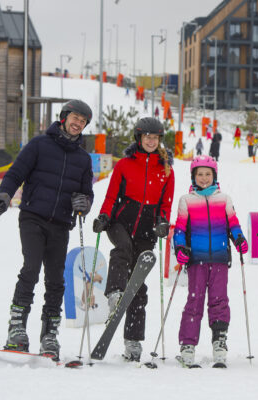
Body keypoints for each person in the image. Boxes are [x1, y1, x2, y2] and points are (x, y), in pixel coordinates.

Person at [0, 100, 94, 360]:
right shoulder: (39, 145)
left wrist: (84, 204)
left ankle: (49, 334)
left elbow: (86, 192)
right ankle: (17, 329)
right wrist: (3, 196)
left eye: (83, 120)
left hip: (60, 223)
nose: (78, 123)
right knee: (31, 268)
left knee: (56, 279)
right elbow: (15, 174)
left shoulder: (83, 158)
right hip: (33, 217)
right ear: (64, 117)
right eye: (75, 117)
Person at [92, 117, 175, 362]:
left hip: (147, 227)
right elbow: (111, 194)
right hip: (121, 220)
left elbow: (166, 203)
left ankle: (133, 341)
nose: (151, 141)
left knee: (138, 285)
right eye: (147, 136)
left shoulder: (166, 168)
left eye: (155, 137)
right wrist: (104, 215)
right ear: (139, 138)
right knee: (123, 249)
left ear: (159, 140)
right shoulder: (125, 165)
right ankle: (115, 292)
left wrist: (162, 222)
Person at [173, 155, 248, 367]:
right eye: (200, 174)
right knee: (194, 301)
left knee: (219, 300)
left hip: (219, 259)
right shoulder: (186, 201)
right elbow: (179, 230)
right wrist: (180, 248)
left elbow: (233, 225)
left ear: (214, 176)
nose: (204, 178)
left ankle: (219, 340)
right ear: (193, 177)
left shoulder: (224, 199)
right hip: (196, 260)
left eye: (208, 174)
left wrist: (239, 239)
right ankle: (188, 344)